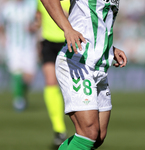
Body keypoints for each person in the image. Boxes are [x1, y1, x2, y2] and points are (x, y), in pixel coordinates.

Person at [40, 0, 127, 149]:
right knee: (89, 133)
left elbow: (98, 22)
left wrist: (108, 49)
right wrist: (67, 28)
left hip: (99, 66)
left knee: (98, 136)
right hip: (78, 61)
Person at [36, 0, 70, 147]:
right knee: (50, 82)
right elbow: (39, 17)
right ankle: (59, 129)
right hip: (48, 42)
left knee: (72, 86)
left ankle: (84, 131)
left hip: (69, 41)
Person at [0, 0, 40, 111]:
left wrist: (34, 27)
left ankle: (22, 94)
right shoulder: (8, 8)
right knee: (16, 71)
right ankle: (18, 100)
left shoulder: (32, 5)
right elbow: (2, 26)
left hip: (29, 46)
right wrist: (3, 40)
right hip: (13, 46)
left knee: (29, 77)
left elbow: (38, 21)